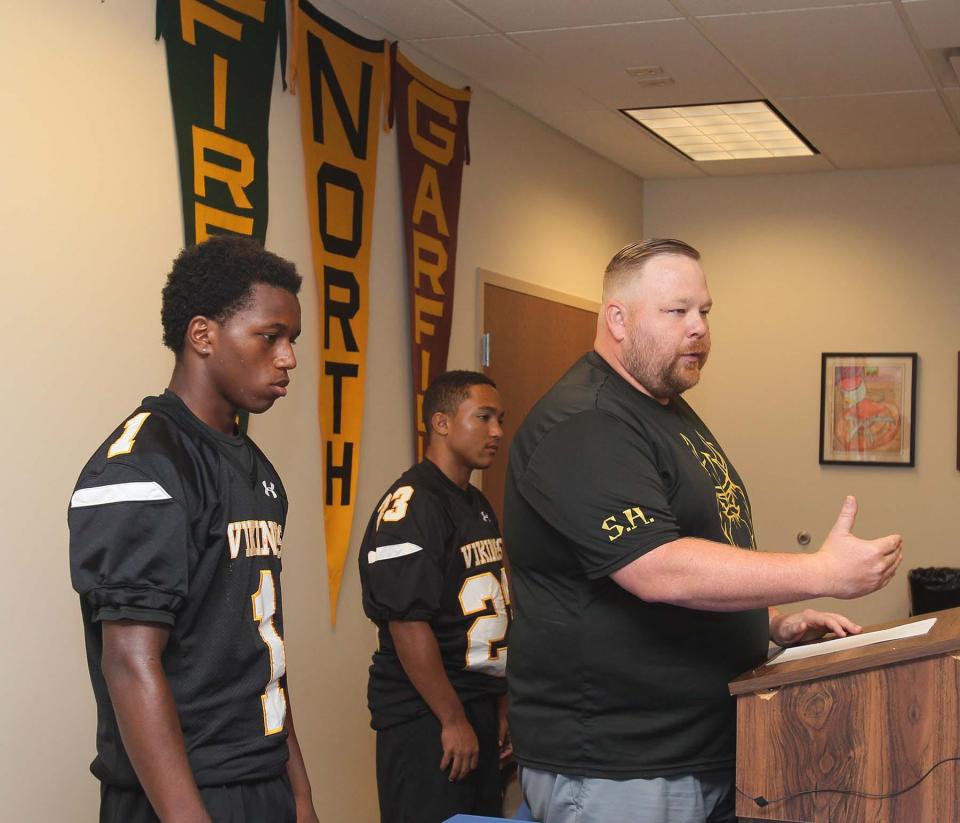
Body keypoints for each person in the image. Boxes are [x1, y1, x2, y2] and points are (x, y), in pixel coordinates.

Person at [504, 238, 903, 823]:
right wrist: (822, 573)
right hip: (621, 766)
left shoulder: (662, 408)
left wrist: (770, 623)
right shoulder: (585, 423)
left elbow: (699, 544)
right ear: (617, 319)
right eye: (677, 311)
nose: (698, 329)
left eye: (705, 312)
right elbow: (657, 567)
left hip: (701, 747)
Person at [69, 236, 319, 823]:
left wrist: (300, 796)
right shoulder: (141, 465)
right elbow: (130, 662)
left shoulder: (253, 467)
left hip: (261, 780)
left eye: (293, 340)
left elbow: (257, 657)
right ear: (203, 335)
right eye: (270, 336)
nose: (288, 358)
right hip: (180, 795)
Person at [359, 370, 511, 823]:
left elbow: (497, 610)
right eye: (483, 417)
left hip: (475, 706)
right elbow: (407, 624)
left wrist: (499, 703)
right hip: (428, 717)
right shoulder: (413, 504)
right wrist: (451, 719)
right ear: (441, 423)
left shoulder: (475, 503)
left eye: (499, 418)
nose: (497, 431)